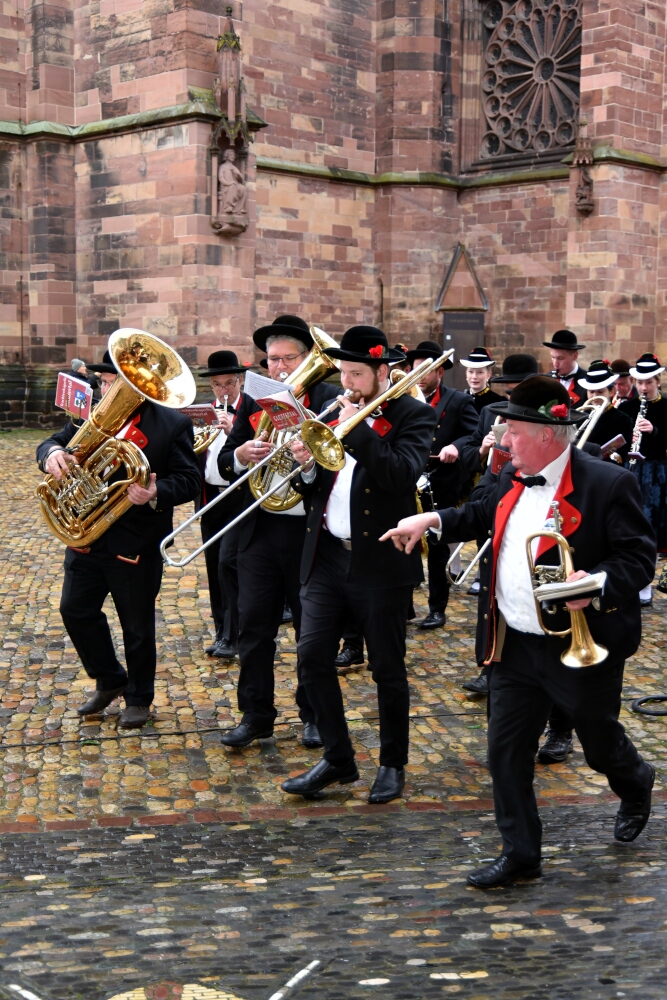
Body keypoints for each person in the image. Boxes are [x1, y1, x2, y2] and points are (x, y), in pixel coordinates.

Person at [382, 375, 656, 887]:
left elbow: (638, 560)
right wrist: (432, 521)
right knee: (505, 753)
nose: (503, 440)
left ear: (548, 433)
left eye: (512, 430)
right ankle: (521, 852)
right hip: (512, 643)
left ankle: (636, 779)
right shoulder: (512, 475)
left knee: (598, 744)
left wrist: (594, 584)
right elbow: (480, 514)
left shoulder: (606, 483)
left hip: (579, 644)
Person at [281, 326, 437, 803]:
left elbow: (399, 476)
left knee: (387, 669)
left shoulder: (413, 414)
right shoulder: (332, 407)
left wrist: (360, 429)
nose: (346, 382)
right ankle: (337, 757)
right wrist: (306, 464)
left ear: (381, 372)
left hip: (381, 561)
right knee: (311, 658)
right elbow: (317, 489)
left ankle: (392, 763)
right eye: (342, 372)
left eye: (355, 373)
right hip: (326, 555)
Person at [36, 351, 201, 729]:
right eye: (104, 383)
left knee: (137, 626)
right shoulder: (90, 418)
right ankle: (110, 678)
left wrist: (156, 492)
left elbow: (190, 480)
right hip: (86, 534)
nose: (105, 390)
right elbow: (51, 442)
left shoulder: (172, 424)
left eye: (112, 383)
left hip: (135, 541)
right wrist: (53, 453)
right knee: (74, 610)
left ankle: (140, 697)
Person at [218, 315, 339, 749]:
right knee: (253, 627)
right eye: (273, 360)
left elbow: (339, 466)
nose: (281, 368)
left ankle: (313, 713)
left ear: (308, 358)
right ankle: (256, 715)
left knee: (312, 632)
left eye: (289, 358)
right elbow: (224, 460)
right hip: (260, 530)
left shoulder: (331, 396)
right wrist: (242, 454)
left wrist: (309, 459)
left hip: (311, 533)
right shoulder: (254, 399)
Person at [405, 339, 478, 630]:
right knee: (404, 544)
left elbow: (473, 434)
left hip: (441, 481)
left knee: (437, 549)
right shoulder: (403, 399)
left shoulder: (458, 401)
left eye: (426, 370)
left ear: (440, 372)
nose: (419, 375)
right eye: (415, 369)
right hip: (408, 480)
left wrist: (456, 447)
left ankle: (437, 608)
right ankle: (405, 605)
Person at [195, 351, 247, 659]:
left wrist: (233, 431)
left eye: (229, 383)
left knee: (230, 564)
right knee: (214, 566)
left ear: (239, 381)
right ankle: (221, 631)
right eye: (217, 384)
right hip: (210, 496)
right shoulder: (203, 413)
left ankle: (234, 634)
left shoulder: (250, 413)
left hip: (239, 496)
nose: (223, 390)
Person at [624, 353, 667, 604]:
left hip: (656, 473)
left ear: (657, 382)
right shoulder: (628, 407)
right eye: (640, 382)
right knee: (628, 525)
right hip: (631, 471)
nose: (643, 387)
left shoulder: (665, 406)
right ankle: (629, 578)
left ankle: (645, 584)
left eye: (648, 382)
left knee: (649, 527)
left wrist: (654, 430)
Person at [576, 360, 634, 464]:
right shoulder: (581, 416)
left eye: (600, 391)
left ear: (611, 392)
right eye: (591, 392)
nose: (595, 396)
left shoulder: (622, 420)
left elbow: (621, 454)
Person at [544, 329, 587, 407]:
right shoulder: (547, 379)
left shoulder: (587, 381)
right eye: (553, 357)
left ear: (575, 356)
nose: (555, 363)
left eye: (560, 358)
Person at [460, 347, 504, 414]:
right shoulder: (459, 400)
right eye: (471, 372)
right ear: (466, 373)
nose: (474, 377)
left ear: (489, 375)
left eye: (480, 372)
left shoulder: (498, 402)